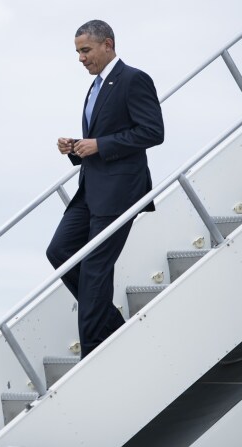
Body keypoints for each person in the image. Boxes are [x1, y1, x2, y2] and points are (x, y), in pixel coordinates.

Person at [46, 20, 165, 358]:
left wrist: (99, 144)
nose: (81, 58)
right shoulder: (96, 86)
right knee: (59, 252)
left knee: (96, 268)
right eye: (78, 52)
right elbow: (103, 137)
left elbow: (153, 132)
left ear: (107, 45)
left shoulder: (133, 79)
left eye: (85, 50)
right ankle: (110, 324)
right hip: (91, 190)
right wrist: (76, 147)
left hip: (120, 192)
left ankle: (95, 351)